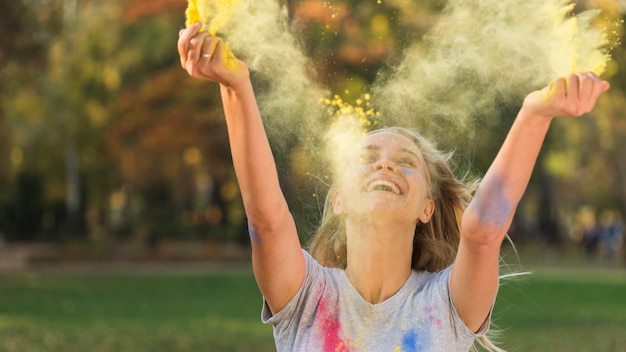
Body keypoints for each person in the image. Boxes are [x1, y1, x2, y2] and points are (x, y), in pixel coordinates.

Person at [177, 22, 610, 352]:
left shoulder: (446, 305)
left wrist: (535, 113)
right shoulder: (308, 295)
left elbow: (482, 231)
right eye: (367, 159)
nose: (385, 164)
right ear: (340, 199)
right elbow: (266, 220)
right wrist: (236, 86)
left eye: (406, 163)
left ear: (427, 206)